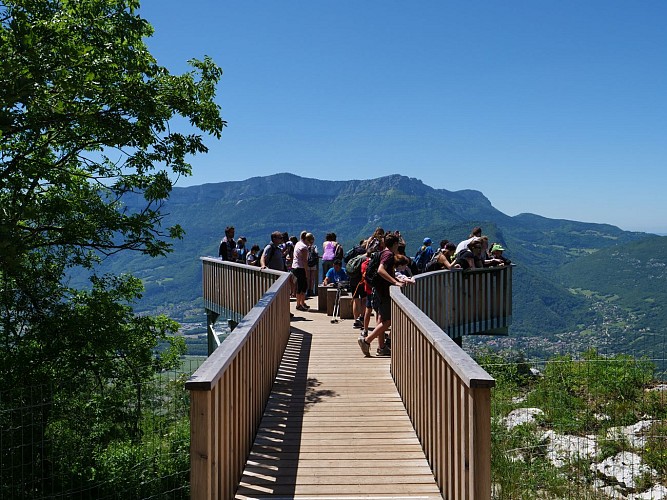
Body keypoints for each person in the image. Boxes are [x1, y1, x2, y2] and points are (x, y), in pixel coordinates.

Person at [358, 233, 406, 358]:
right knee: (388, 320)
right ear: (395, 244)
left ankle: (382, 347)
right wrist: (395, 282)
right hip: (384, 291)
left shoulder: (382, 252)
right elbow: (381, 270)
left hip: (378, 290)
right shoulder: (389, 254)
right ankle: (367, 340)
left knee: (381, 318)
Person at [292, 231, 312, 311]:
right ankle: (299, 304)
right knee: (302, 286)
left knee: (301, 286)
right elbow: (305, 261)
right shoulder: (304, 247)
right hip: (301, 268)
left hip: (295, 267)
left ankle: (302, 303)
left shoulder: (298, 244)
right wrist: (306, 272)